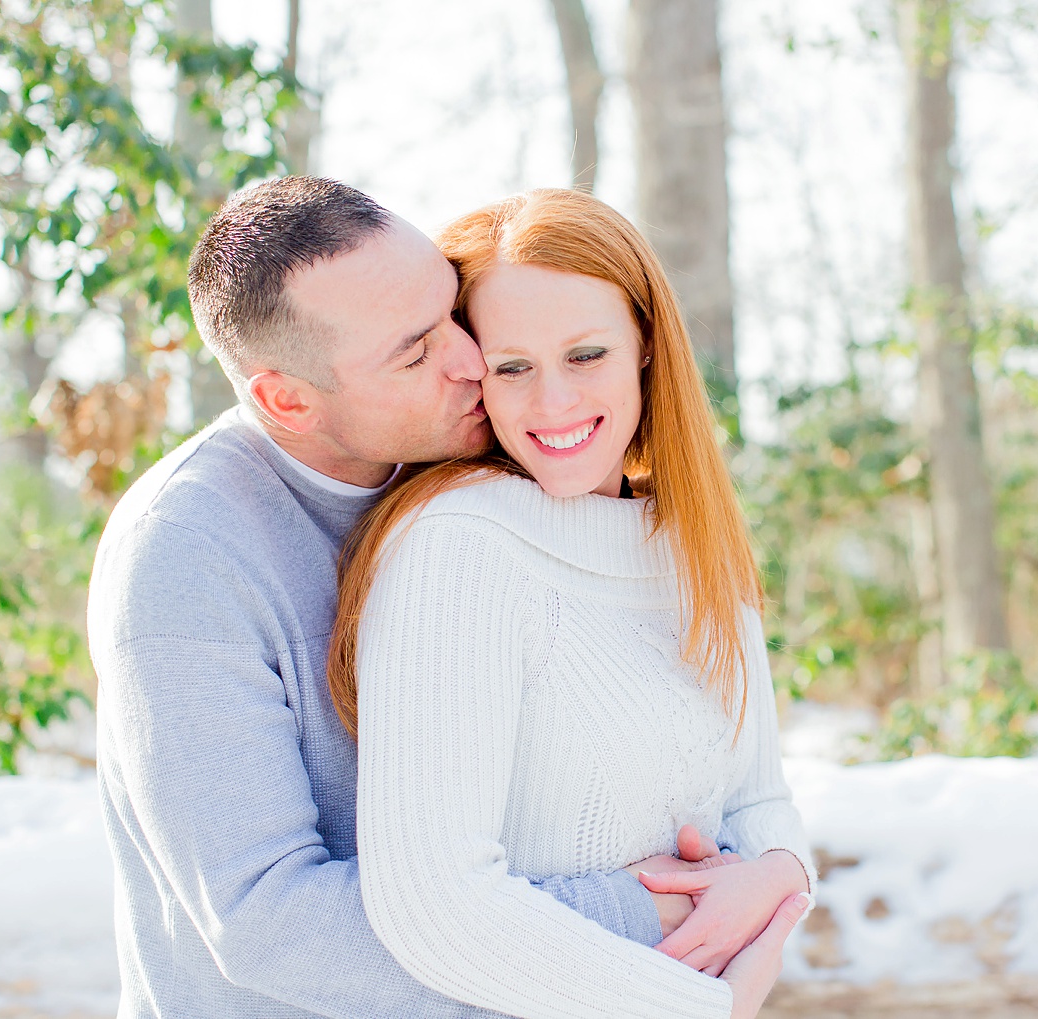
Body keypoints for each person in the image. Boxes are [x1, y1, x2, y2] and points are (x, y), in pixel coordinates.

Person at [87, 176, 749, 1018]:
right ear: (287, 399)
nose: (472, 359)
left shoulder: (476, 464)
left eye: (451, 311)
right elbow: (265, 920)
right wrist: (646, 914)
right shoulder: (186, 556)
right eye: (414, 351)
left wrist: (762, 868)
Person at [329, 188, 816, 1019]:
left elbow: (760, 797)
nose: (551, 404)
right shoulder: (460, 544)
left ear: (647, 349)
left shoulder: (692, 541)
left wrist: (780, 873)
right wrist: (696, 1008)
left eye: (586, 355)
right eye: (512, 366)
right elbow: (432, 902)